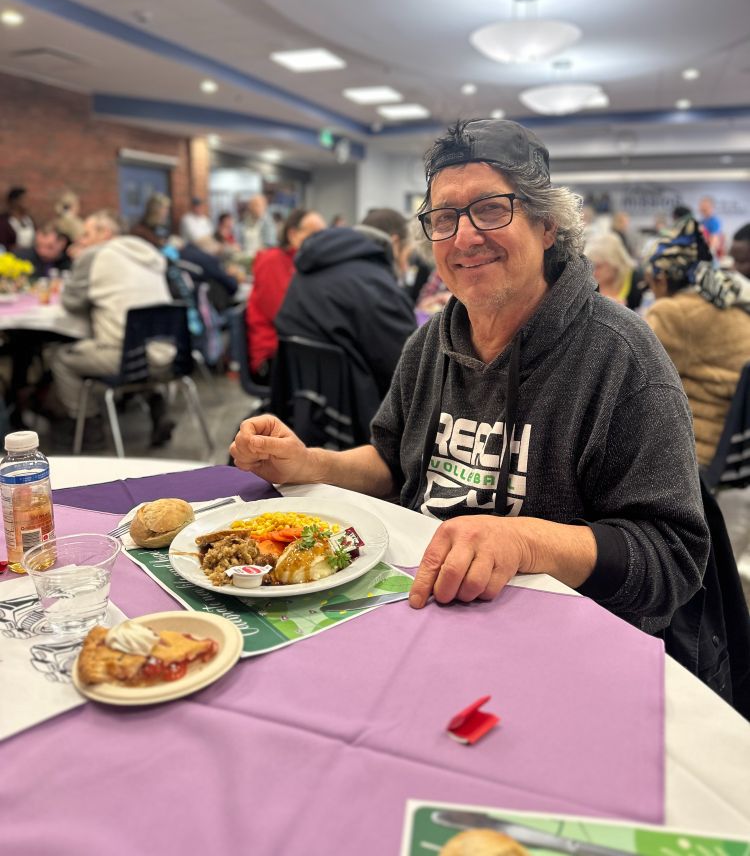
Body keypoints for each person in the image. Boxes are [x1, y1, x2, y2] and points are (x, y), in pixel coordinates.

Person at [232, 118, 708, 635]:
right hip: (417, 598)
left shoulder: (621, 358)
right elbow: (393, 462)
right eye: (444, 218)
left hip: (555, 632)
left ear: (548, 226)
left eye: (490, 210)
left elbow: (673, 557)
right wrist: (310, 463)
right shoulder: (432, 341)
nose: (464, 237)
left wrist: (524, 541)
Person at [272, 208, 417, 438]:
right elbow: (410, 372)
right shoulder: (377, 285)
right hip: (364, 423)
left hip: (307, 413)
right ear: (395, 243)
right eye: (408, 256)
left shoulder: (308, 270)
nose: (407, 267)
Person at [49, 210, 174, 446]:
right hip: (168, 354)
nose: (80, 241)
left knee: (60, 359)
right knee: (129, 341)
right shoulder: (147, 252)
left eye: (86, 234)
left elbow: (71, 303)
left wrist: (78, 263)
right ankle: (157, 403)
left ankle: (89, 427)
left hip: (127, 358)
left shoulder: (95, 255)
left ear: (105, 233)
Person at [643, 217, 750, 467]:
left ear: (661, 279)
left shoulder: (674, 313)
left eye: (650, 284)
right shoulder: (728, 300)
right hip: (735, 447)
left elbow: (631, 376)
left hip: (698, 448)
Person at [246, 208, 326, 380]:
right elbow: (282, 315)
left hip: (296, 348)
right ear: (293, 234)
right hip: (274, 355)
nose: (323, 241)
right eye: (316, 234)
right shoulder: (272, 261)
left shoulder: (305, 263)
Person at [584, 232, 644, 309]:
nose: (594, 272)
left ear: (614, 263)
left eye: (598, 266)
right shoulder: (590, 283)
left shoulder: (637, 282)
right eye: (591, 266)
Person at [240, 194, 277, 260]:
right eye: (253, 205)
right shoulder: (246, 220)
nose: (255, 208)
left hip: (262, 258)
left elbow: (270, 244)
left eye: (258, 205)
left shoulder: (268, 222)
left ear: (265, 206)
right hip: (246, 256)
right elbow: (242, 241)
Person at [0, 186, 35, 251]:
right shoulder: (3, 222)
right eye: (25, 199)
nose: (29, 202)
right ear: (15, 201)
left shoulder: (28, 220)